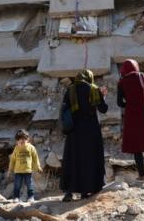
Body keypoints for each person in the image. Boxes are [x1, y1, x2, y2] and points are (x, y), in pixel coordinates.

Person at [60, 70, 108, 202]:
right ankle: (85, 191)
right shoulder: (94, 89)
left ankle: (68, 191)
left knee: (73, 159)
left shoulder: (70, 90)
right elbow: (103, 109)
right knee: (89, 160)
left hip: (74, 132)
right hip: (90, 132)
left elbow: (64, 109)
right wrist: (103, 96)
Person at [8, 129, 42, 203]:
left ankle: (31, 197)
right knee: (17, 185)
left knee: (29, 185)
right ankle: (16, 197)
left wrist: (38, 167)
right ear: (17, 141)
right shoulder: (16, 149)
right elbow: (13, 160)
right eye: (19, 140)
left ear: (28, 139)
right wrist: (10, 170)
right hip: (18, 171)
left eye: (23, 140)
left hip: (28, 171)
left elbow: (35, 158)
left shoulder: (31, 148)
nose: (21, 142)